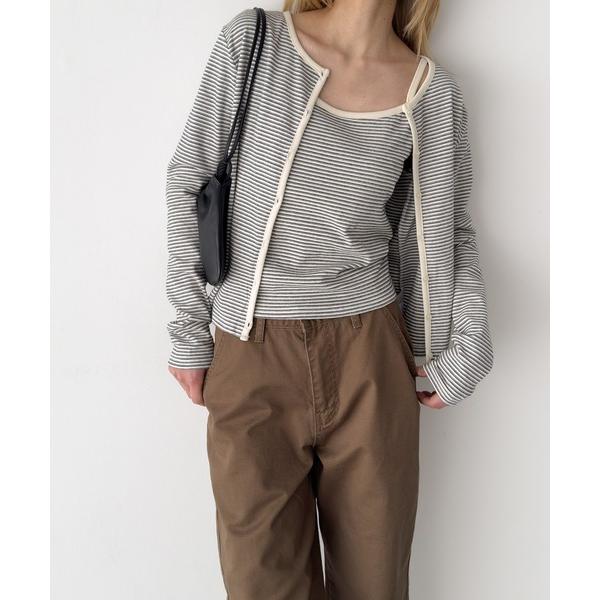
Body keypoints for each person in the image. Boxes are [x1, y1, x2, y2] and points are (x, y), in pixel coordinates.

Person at [166, 1, 493, 598]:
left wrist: (467, 343)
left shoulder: (430, 91)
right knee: (263, 584)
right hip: (251, 347)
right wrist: (189, 332)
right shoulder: (256, 42)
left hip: (371, 356)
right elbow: (190, 181)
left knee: (375, 583)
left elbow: (442, 227)